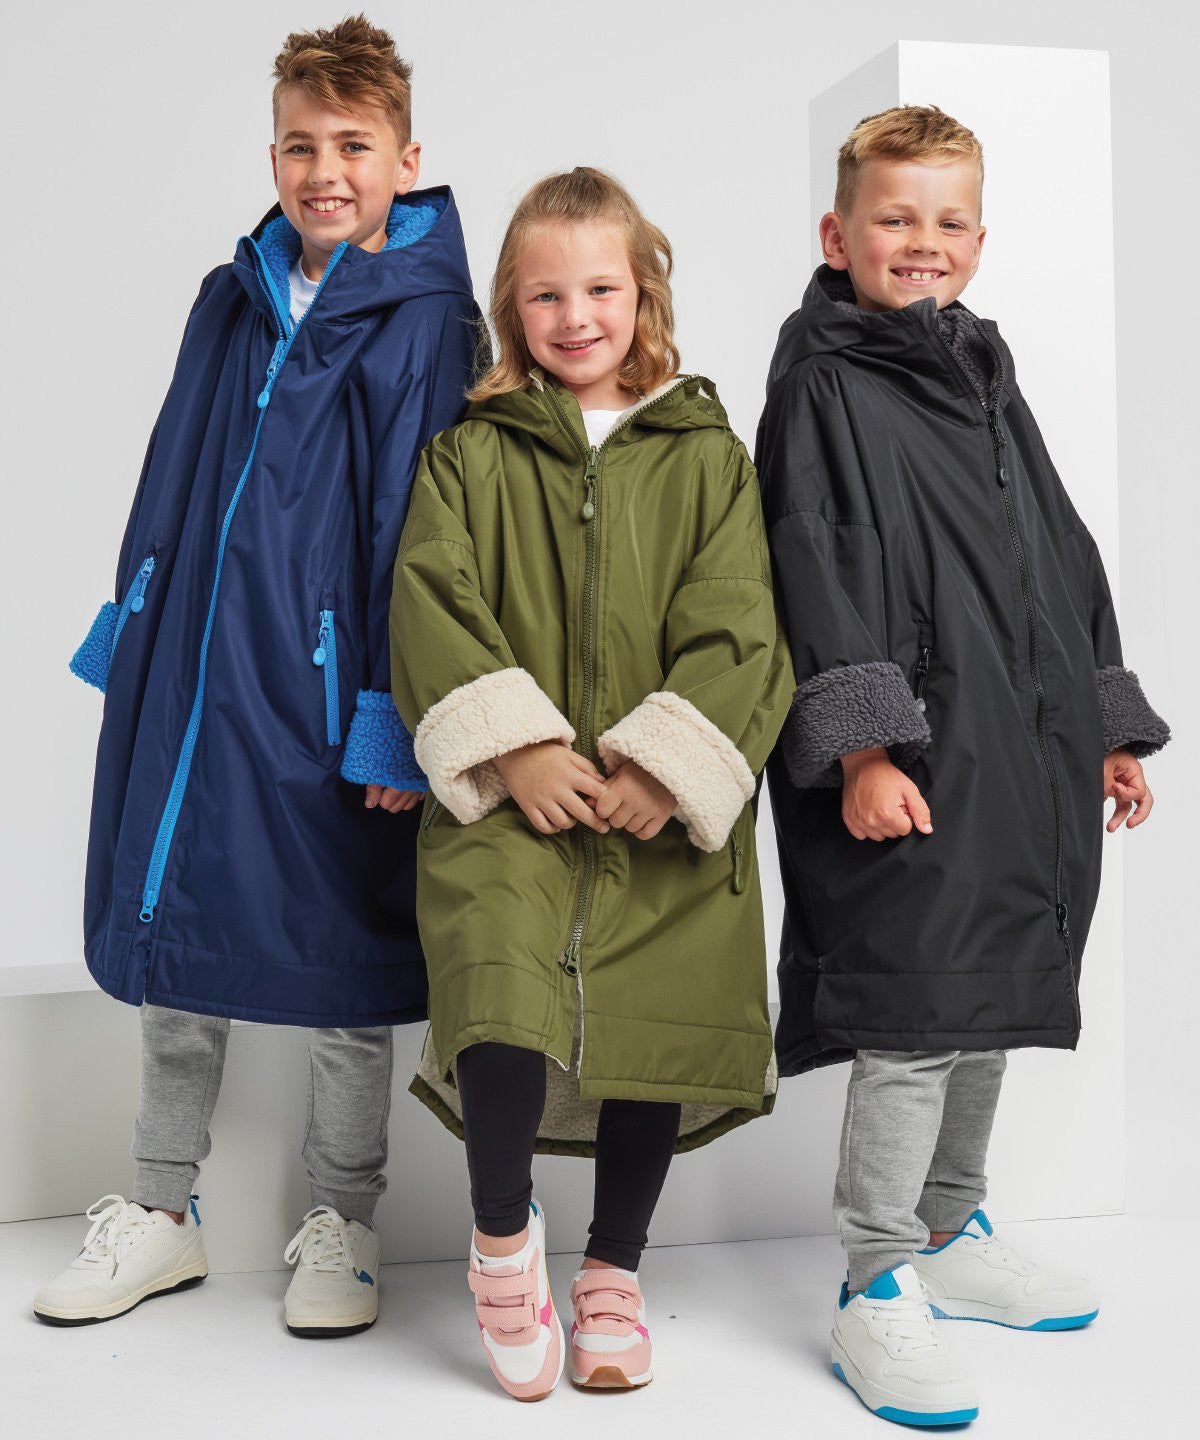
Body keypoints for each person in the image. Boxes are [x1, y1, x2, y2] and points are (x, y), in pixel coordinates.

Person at [36, 15, 477, 1335]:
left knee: (349, 955)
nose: (324, 171)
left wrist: (392, 714)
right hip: (198, 665)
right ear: (271, 154)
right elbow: (172, 463)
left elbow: (419, 527)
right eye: (299, 145)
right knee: (177, 927)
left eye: (353, 145)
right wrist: (135, 615)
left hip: (329, 690)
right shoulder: (232, 297)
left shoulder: (427, 321)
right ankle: (160, 1210)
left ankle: (343, 1221)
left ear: (406, 160)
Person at [756, 105, 1169, 1426]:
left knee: (987, 995)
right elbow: (816, 561)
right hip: (920, 751)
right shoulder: (826, 384)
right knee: (914, 1018)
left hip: (1015, 745)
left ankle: (949, 1227)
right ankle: (875, 1279)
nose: (922, 242)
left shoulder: (986, 375)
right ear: (839, 236)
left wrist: (1103, 720)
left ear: (979, 242)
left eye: (947, 221)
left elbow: (1062, 550)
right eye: (895, 218)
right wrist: (865, 748)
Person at [390, 166, 792, 1400]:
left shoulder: (708, 455)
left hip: (655, 805)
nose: (576, 317)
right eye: (546, 294)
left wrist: (668, 765)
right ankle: (502, 1242)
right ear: (512, 307)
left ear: (643, 291)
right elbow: (431, 597)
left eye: (601, 289)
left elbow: (743, 622)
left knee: (653, 1015)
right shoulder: (468, 455)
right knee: (498, 991)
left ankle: (614, 1268)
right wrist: (512, 745)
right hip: (513, 800)